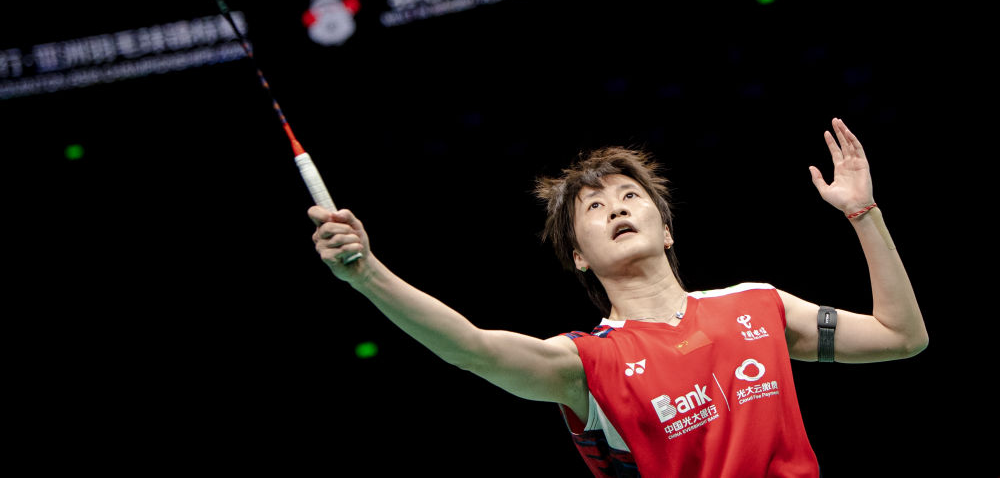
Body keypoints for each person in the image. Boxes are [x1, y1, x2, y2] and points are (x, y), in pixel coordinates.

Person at [309, 118, 927, 477]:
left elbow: (902, 338)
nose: (616, 208)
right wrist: (367, 274)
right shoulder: (587, 363)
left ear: (667, 228)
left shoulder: (759, 305)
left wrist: (863, 212)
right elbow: (471, 348)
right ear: (579, 255)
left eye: (630, 196)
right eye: (594, 207)